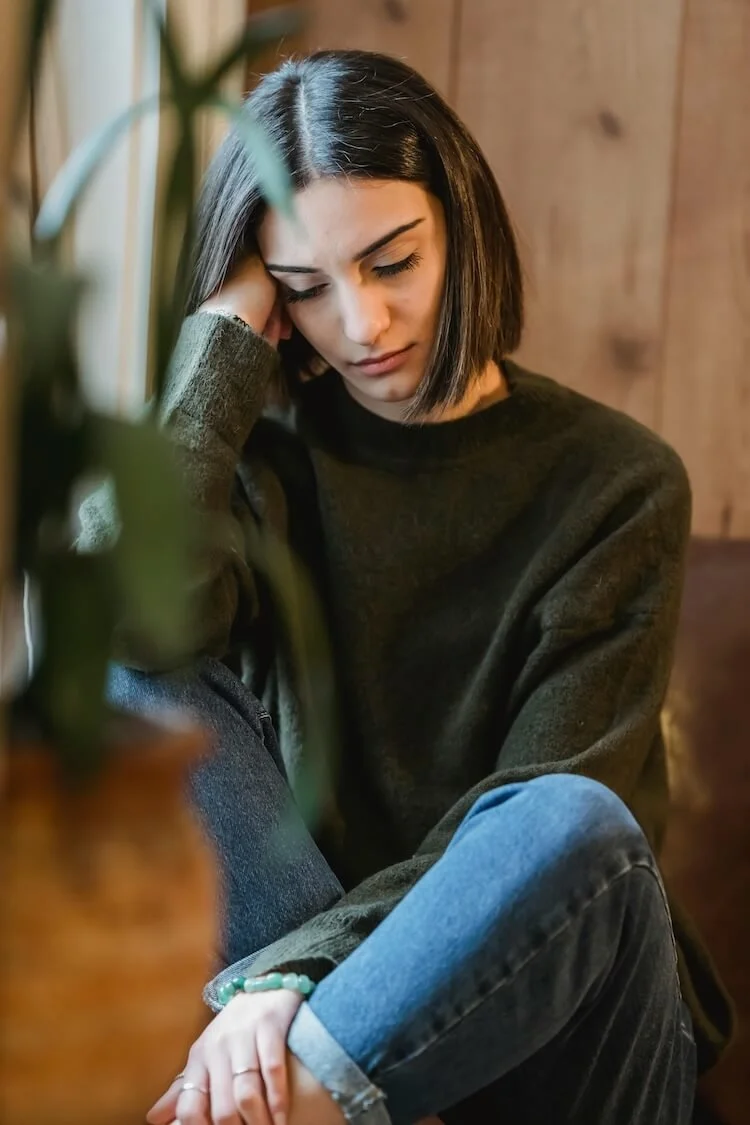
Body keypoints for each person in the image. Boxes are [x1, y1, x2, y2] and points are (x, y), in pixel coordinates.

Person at [78, 50, 733, 1125]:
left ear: (461, 223)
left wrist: (283, 981)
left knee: (566, 818)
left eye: (392, 262)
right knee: (130, 648)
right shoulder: (266, 459)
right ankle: (328, 1083)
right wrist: (222, 345)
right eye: (305, 288)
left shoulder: (616, 483)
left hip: (575, 1038)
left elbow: (562, 808)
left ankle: (301, 1083)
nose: (364, 326)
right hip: (354, 1033)